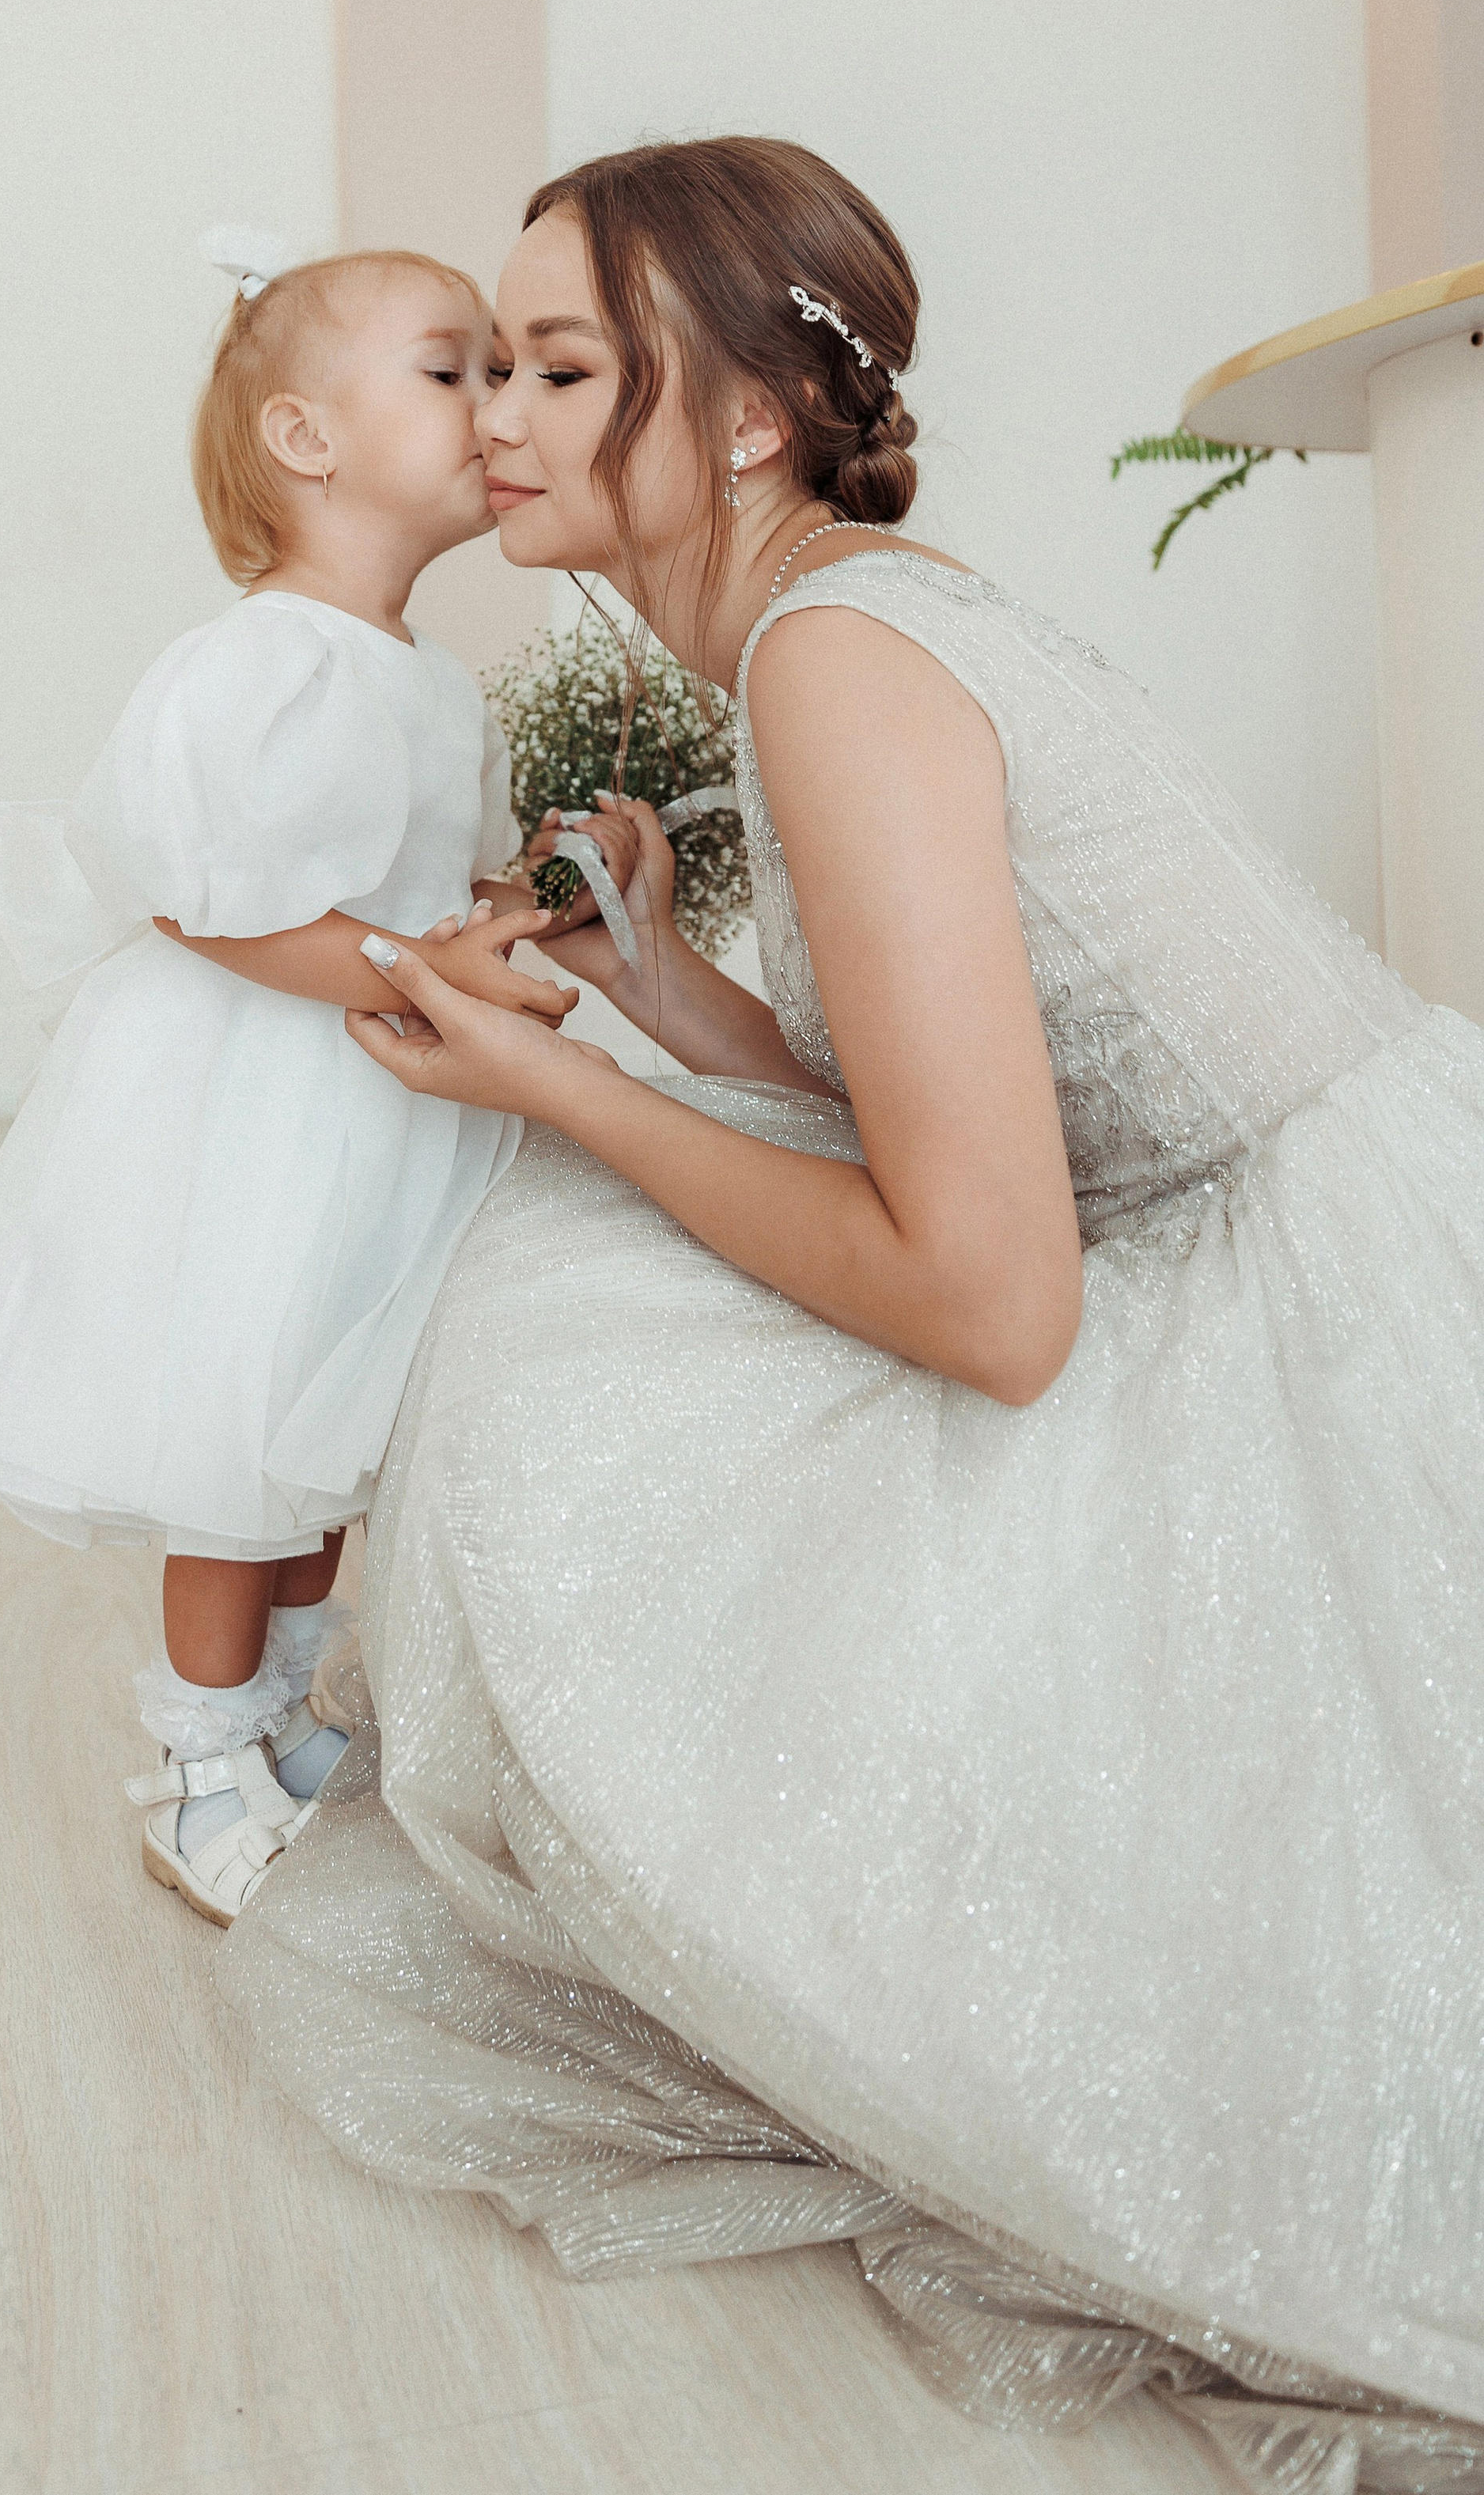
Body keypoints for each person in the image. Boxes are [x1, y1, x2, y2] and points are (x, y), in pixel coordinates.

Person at [217, 138, 1484, 2485]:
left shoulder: (832, 661)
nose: (497, 403)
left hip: (1281, 1297)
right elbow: (952, 1108)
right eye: (491, 355)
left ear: (743, 418)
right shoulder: (837, 613)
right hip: (1274, 1200)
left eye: (563, 362)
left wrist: (561, 1092)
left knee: (557, 1315)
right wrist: (674, 1000)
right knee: (583, 1255)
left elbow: (994, 1300)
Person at [0, 244, 577, 1928]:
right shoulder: (258, 664)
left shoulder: (420, 673)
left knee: (327, 1433)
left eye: (505, 369)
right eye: (451, 369)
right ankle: (195, 1766)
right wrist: (419, 970)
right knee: (237, 1442)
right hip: (258, 1103)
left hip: (375, 1095)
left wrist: (506, 907)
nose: (497, 404)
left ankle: (278, 1713)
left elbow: (416, 877)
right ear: (305, 438)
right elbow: (210, 899)